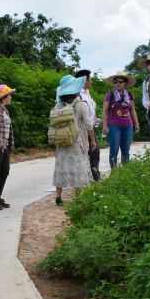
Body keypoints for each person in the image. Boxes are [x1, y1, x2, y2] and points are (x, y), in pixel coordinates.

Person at [52, 76, 95, 206]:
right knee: (79, 166)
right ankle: (78, 196)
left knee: (61, 166)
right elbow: (88, 124)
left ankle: (59, 197)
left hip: (61, 141)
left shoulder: (58, 106)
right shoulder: (81, 105)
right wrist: (93, 139)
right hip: (77, 141)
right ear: (75, 89)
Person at [101, 71, 140, 170]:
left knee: (126, 151)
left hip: (128, 125)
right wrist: (105, 126)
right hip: (114, 125)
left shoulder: (129, 95)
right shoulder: (110, 95)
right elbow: (104, 111)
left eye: (120, 81)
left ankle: (125, 172)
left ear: (125, 83)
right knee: (114, 150)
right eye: (116, 81)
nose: (118, 83)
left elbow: (132, 110)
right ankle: (114, 172)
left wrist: (136, 123)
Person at [74, 69, 101, 180]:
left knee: (93, 153)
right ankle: (93, 178)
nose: (91, 81)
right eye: (90, 79)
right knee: (93, 153)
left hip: (89, 127)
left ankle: (92, 177)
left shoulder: (86, 94)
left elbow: (90, 114)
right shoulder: (78, 95)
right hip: (83, 130)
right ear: (85, 80)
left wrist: (97, 120)